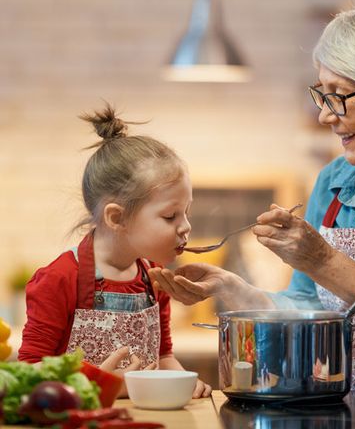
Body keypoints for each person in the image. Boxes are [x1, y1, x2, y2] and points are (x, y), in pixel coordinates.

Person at [149, 0, 355, 391]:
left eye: (340, 96)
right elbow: (308, 307)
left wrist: (323, 260)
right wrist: (232, 289)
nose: (325, 114)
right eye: (322, 93)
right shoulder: (334, 182)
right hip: (347, 412)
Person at [19, 105, 211, 398]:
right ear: (116, 217)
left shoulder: (154, 280)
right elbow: (30, 376)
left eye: (186, 212)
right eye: (170, 216)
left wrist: (184, 380)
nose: (186, 226)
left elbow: (164, 357)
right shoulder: (58, 279)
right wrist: (96, 384)